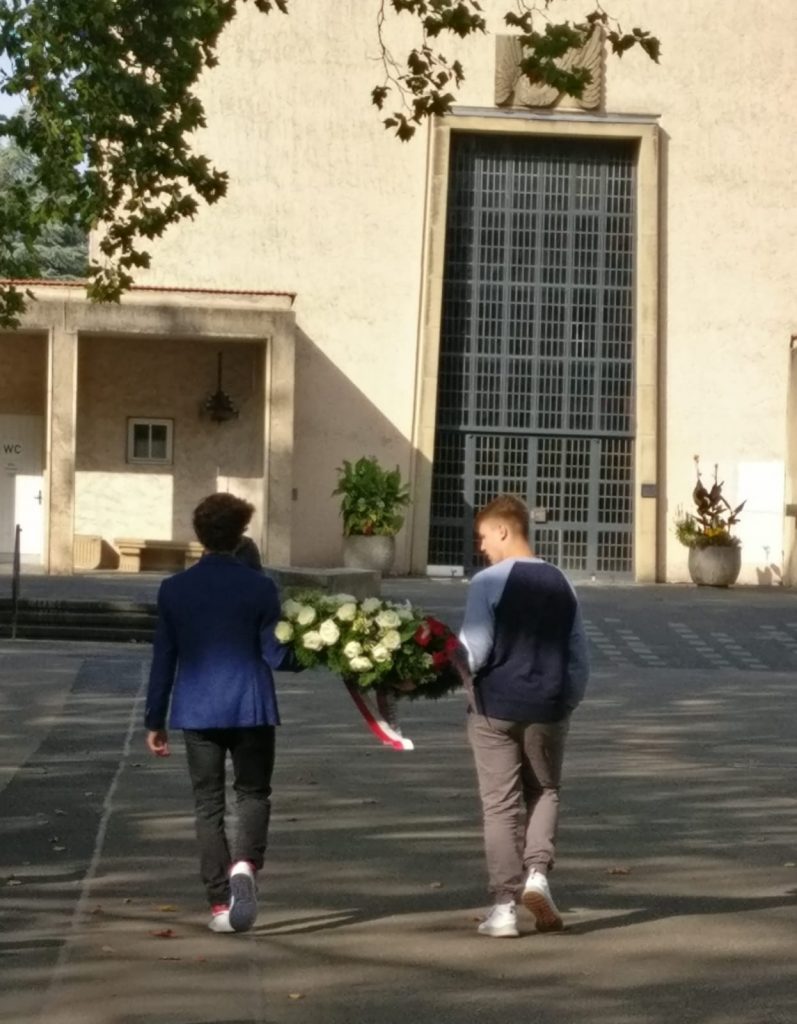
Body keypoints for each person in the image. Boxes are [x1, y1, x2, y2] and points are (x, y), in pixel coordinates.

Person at [144, 493, 294, 934]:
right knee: (253, 793)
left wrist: (154, 719)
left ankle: (217, 901)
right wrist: (319, 651)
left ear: (200, 535)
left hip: (197, 709)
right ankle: (245, 864)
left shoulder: (174, 589)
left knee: (207, 804)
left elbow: (163, 657)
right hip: (251, 706)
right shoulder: (260, 587)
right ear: (241, 533)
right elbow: (276, 655)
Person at [459, 495, 589, 938]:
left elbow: (474, 651)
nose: (481, 547)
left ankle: (503, 908)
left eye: (483, 537)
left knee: (500, 805)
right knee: (545, 790)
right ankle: (537, 875)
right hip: (548, 706)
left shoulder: (487, 582)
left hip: (494, 708)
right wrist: (567, 701)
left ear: (503, 530)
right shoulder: (562, 581)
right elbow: (578, 655)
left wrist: (442, 676)